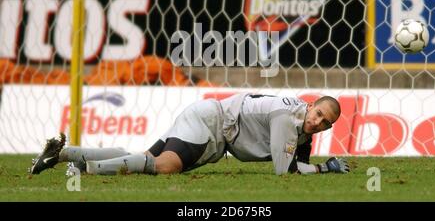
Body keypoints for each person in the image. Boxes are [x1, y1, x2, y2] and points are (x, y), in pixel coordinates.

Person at [29, 93, 350, 176]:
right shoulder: (284, 116)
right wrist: (325, 169)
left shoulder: (302, 126)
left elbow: (298, 159)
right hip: (211, 124)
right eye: (318, 114)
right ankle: (84, 169)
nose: (318, 123)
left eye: (325, 123)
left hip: (209, 120)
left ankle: (64, 154)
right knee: (167, 165)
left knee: (145, 158)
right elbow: (286, 170)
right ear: (310, 105)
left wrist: (318, 166)